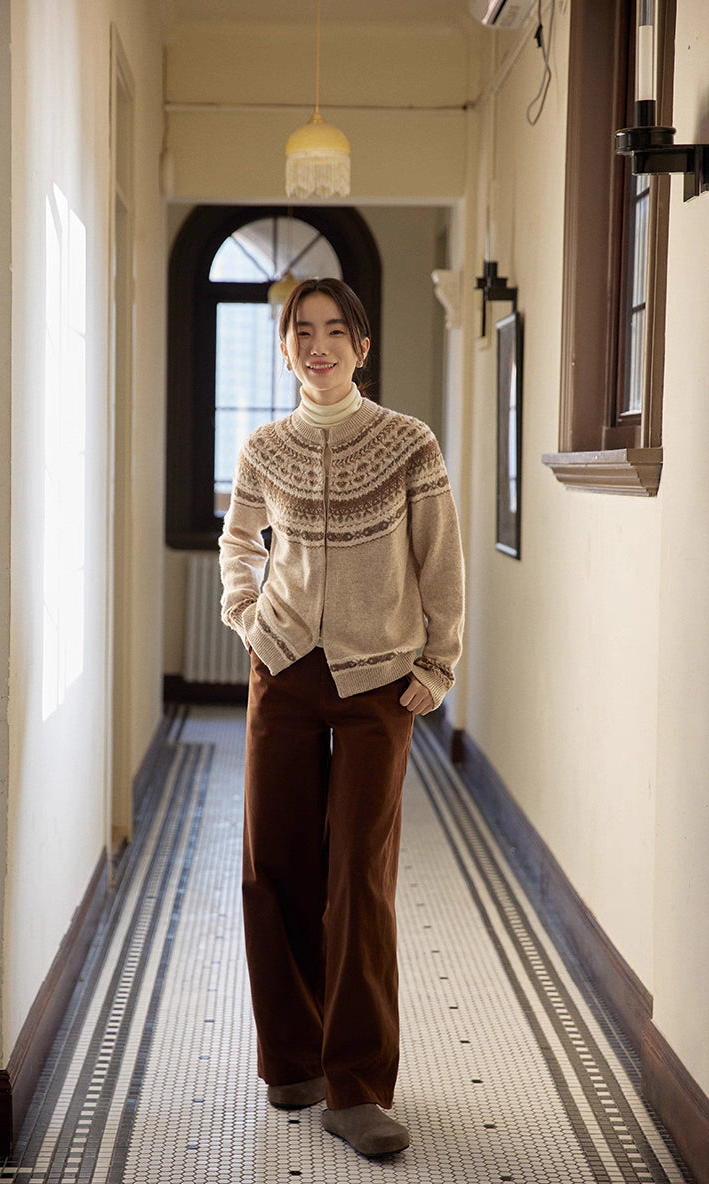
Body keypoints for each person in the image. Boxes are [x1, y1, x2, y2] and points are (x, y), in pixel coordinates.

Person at [219, 277, 464, 1159]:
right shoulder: (263, 447)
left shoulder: (408, 444)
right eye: (301, 331)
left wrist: (437, 664)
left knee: (357, 873)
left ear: (362, 346)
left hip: (378, 680)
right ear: (284, 348)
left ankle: (358, 1087)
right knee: (272, 864)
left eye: (335, 331)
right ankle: (291, 1057)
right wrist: (247, 614)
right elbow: (239, 540)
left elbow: (440, 558)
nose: (317, 345)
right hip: (282, 669)